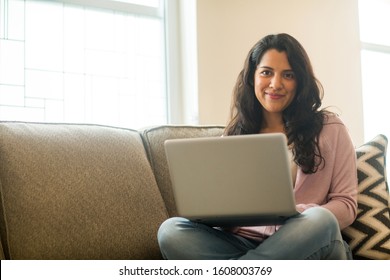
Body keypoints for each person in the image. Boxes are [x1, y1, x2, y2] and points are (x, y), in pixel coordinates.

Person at [157, 33, 358, 260]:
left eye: (288, 75)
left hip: (307, 241)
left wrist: (298, 215)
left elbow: (346, 205)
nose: (275, 84)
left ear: (300, 81)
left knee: (322, 219)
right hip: (242, 243)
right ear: (253, 77)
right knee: (171, 231)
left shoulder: (330, 128)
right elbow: (222, 208)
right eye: (266, 72)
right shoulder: (233, 138)